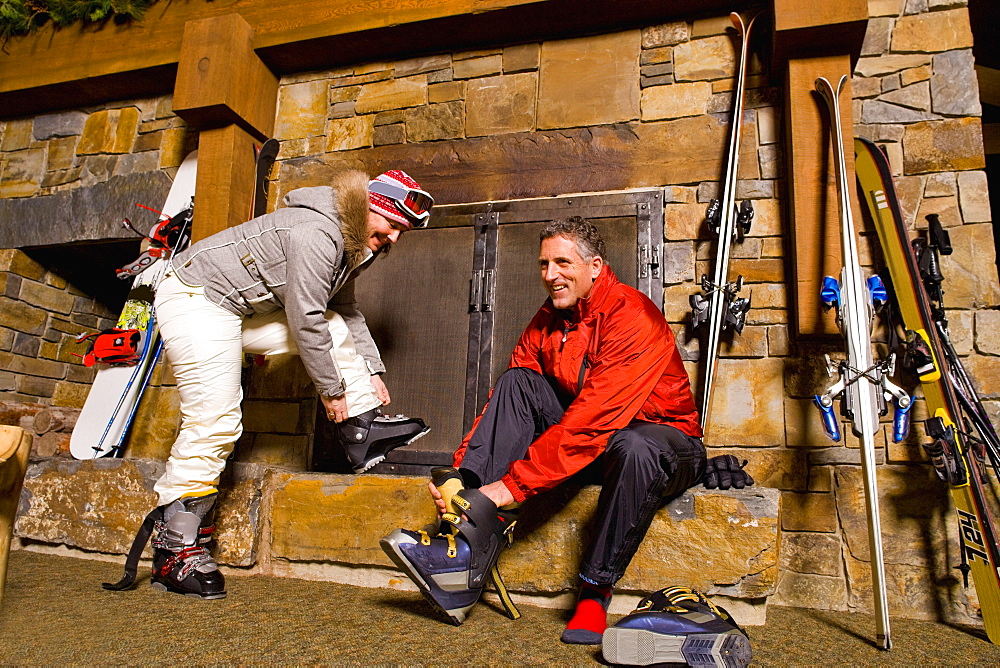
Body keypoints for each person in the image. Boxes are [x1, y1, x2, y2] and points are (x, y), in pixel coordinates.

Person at [105, 169, 433, 600]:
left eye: (401, 233)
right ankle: (175, 550)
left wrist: (368, 374)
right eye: (391, 226)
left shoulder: (355, 246)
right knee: (215, 419)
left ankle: (360, 430)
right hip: (195, 298)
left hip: (237, 311)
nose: (393, 238)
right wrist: (334, 393)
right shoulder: (318, 232)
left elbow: (345, 311)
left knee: (335, 325)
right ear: (372, 206)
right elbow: (305, 319)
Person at [381, 216, 712, 643]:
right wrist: (464, 477)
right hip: (597, 445)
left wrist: (508, 489)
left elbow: (592, 421)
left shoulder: (632, 315)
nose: (550, 275)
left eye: (562, 263)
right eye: (543, 264)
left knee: (635, 445)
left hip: (664, 445)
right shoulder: (548, 319)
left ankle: (594, 593)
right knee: (519, 382)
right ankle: (460, 547)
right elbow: (512, 393)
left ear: (594, 266)